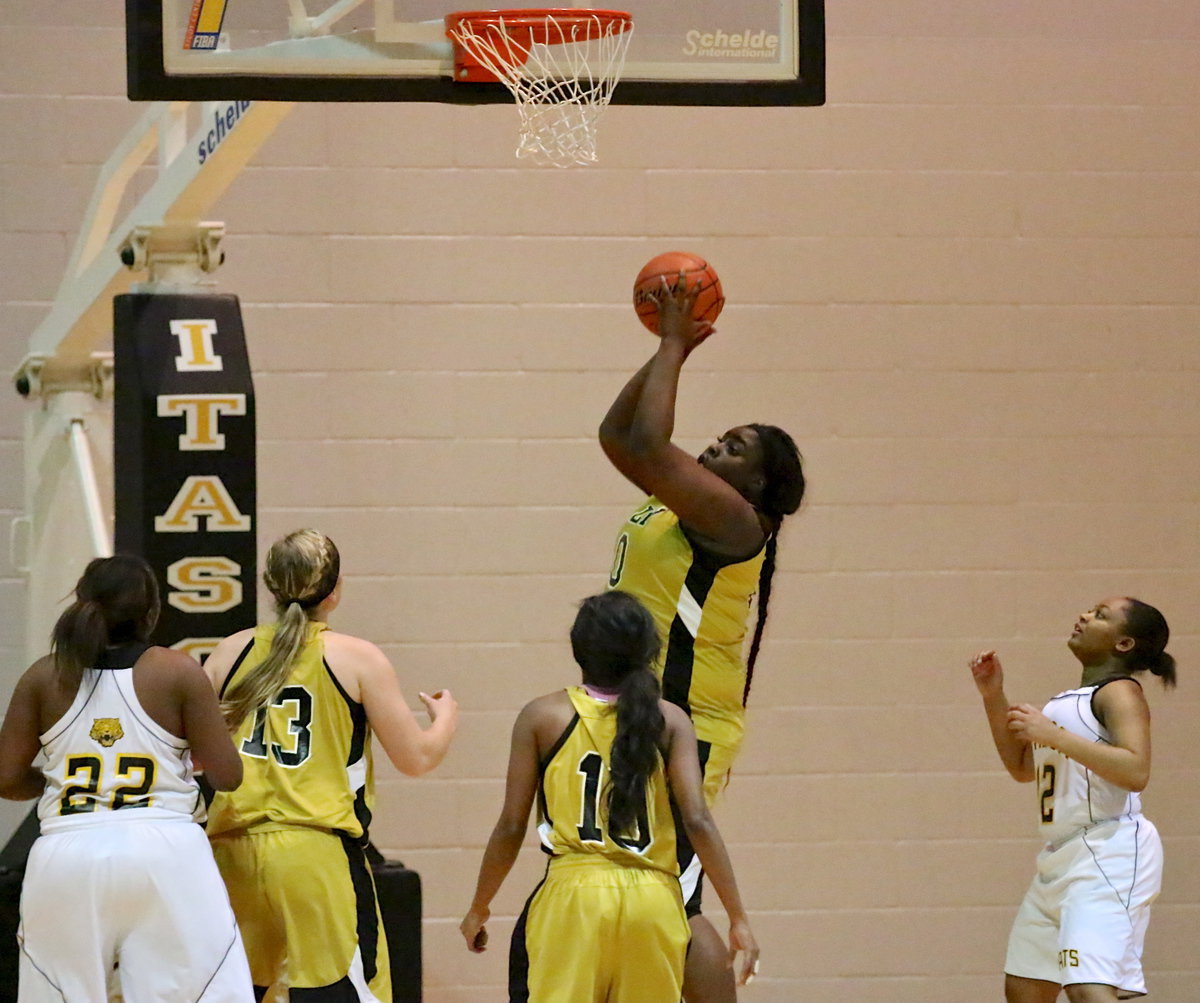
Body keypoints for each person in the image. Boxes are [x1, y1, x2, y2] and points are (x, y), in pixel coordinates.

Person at [597, 275, 805, 1000]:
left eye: (736, 446)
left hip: (685, 716)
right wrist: (664, 349)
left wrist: (673, 345)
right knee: (639, 881)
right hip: (645, 708)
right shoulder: (679, 502)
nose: (717, 443)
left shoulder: (736, 522)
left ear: (758, 485)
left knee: (675, 901)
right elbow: (618, 436)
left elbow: (650, 440)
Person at [460, 590, 759, 1003]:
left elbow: (512, 826)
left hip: (574, 899)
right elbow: (698, 821)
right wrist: (738, 916)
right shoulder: (671, 720)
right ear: (647, 652)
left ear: (579, 649)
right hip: (654, 901)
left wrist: (480, 905)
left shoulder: (543, 716)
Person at [203, 528, 459, 1002]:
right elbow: (417, 758)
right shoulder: (357, 658)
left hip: (229, 851)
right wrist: (446, 719)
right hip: (314, 851)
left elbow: (193, 752)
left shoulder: (227, 652)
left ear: (269, 584)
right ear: (336, 590)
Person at [0, 554, 253, 1002]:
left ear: (81, 603)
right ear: (151, 612)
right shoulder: (176, 671)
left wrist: (57, 786)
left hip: (65, 856)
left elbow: (5, 779)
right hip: (167, 855)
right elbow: (229, 775)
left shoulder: (45, 674)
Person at [969, 596, 1176, 1003]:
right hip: (1060, 856)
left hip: (1108, 850)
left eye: (1101, 616)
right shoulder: (1067, 701)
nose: (1083, 616)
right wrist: (993, 696)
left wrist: (1053, 736)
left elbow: (1136, 771)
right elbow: (1022, 767)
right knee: (1025, 989)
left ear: (1124, 644)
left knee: (1088, 988)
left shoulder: (1119, 692)